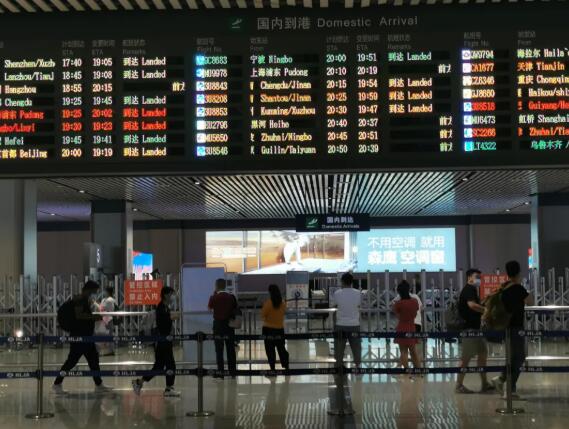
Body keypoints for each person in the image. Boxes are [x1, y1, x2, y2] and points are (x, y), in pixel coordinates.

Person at [52, 281, 112, 395]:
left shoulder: (83, 299)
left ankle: (99, 384)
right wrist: (94, 317)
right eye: (94, 291)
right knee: (71, 361)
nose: (95, 293)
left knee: (93, 360)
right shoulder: (80, 299)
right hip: (79, 337)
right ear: (89, 289)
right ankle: (56, 384)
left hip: (86, 336)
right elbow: (79, 315)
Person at [492, 260, 534, 400]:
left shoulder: (504, 288)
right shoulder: (518, 289)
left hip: (505, 327)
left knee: (512, 357)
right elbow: (531, 302)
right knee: (519, 357)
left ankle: (503, 381)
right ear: (518, 273)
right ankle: (509, 388)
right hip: (516, 328)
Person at [132, 286, 180, 397]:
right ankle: (169, 388)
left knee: (159, 366)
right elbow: (163, 323)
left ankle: (139, 382)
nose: (173, 296)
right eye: (171, 294)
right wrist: (172, 318)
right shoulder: (161, 307)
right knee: (170, 365)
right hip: (162, 341)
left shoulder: (165, 307)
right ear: (166, 295)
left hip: (164, 341)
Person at [455, 268, 495, 394]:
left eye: (479, 277)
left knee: (482, 354)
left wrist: (486, 300)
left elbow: (475, 304)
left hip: (476, 329)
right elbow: (472, 305)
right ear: (469, 278)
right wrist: (486, 311)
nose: (479, 279)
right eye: (476, 277)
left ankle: (484, 383)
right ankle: (458, 385)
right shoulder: (468, 289)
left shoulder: (472, 290)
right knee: (466, 358)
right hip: (469, 330)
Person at [208, 278, 237, 379]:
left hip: (218, 326)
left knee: (219, 350)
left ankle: (221, 372)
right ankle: (232, 372)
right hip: (229, 326)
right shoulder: (231, 297)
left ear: (216, 286)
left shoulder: (214, 297)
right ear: (225, 286)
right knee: (231, 349)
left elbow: (209, 308)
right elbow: (235, 308)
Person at [333, 272, 362, 368]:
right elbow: (358, 305)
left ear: (342, 281)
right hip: (354, 324)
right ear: (351, 282)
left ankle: (339, 366)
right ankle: (357, 366)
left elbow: (334, 306)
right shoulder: (358, 293)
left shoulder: (337, 293)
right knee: (356, 347)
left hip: (340, 324)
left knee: (339, 348)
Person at [261, 284, 289, 376]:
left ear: (270, 292)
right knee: (281, 349)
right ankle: (286, 367)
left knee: (270, 350)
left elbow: (262, 315)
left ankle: (272, 370)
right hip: (280, 329)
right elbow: (284, 312)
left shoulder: (268, 303)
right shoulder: (283, 303)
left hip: (268, 329)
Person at [392, 280, 421, 370]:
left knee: (403, 352)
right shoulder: (414, 301)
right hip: (411, 327)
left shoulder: (398, 304)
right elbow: (416, 311)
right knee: (414, 351)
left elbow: (397, 314)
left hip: (401, 328)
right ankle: (418, 369)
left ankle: (406, 370)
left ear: (399, 292)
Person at [98, 287, 116, 356]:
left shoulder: (109, 300)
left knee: (108, 335)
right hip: (104, 319)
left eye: (105, 291)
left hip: (108, 320)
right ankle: (110, 350)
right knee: (105, 335)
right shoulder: (104, 299)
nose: (104, 292)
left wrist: (95, 303)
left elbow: (101, 308)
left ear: (108, 292)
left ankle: (111, 351)